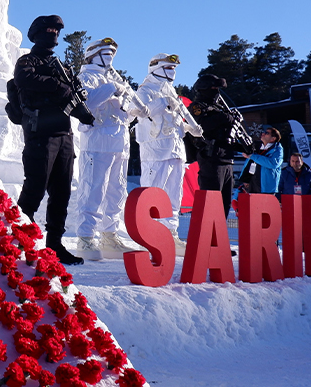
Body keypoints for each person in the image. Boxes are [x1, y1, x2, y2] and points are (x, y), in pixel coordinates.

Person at [13, 15, 91, 266]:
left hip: (63, 134)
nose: (53, 34)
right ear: (36, 33)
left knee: (62, 193)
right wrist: (59, 87)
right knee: (34, 189)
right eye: (49, 30)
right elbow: (24, 80)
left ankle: (55, 245)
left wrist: (77, 100)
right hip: (40, 134)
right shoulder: (28, 61)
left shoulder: (64, 67)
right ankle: (17, 242)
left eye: (56, 32)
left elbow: (73, 95)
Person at [74, 38, 148, 260]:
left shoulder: (115, 79)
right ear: (93, 54)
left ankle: (109, 235)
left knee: (116, 191)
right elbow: (87, 103)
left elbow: (131, 112)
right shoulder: (86, 77)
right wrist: (112, 88)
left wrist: (135, 108)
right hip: (97, 142)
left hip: (119, 142)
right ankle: (86, 237)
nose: (110, 58)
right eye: (106, 53)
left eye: (113, 54)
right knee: (93, 189)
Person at [135, 53, 203, 255]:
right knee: (153, 194)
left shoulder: (171, 92)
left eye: (174, 69)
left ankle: (170, 233)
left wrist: (190, 128)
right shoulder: (146, 89)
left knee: (174, 195)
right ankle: (148, 235)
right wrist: (162, 102)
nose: (173, 73)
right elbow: (136, 110)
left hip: (175, 150)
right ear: (156, 68)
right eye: (169, 68)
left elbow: (176, 120)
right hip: (155, 151)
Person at [188, 74, 247, 216]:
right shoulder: (198, 107)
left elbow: (227, 135)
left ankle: (219, 235)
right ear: (204, 88)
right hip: (211, 158)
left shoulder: (221, 107)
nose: (217, 91)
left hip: (227, 159)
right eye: (214, 88)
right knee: (211, 202)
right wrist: (223, 118)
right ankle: (207, 236)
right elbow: (199, 127)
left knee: (225, 203)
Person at [238, 127, 283, 195]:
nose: (263, 133)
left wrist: (253, 156)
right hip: (252, 184)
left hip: (266, 188)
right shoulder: (256, 146)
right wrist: (245, 179)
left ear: (273, 138)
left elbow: (273, 163)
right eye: (263, 132)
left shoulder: (277, 149)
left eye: (267, 133)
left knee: (264, 205)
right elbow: (248, 163)